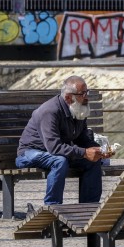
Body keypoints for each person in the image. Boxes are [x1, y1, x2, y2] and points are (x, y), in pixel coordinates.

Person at [15, 76, 111, 206]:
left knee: (93, 161)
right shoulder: (50, 111)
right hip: (29, 153)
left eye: (87, 92)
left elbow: (83, 140)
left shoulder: (78, 109)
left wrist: (98, 150)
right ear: (68, 97)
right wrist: (84, 153)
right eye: (82, 94)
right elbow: (54, 147)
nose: (86, 97)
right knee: (59, 161)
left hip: (55, 152)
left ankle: (89, 208)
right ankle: (53, 208)